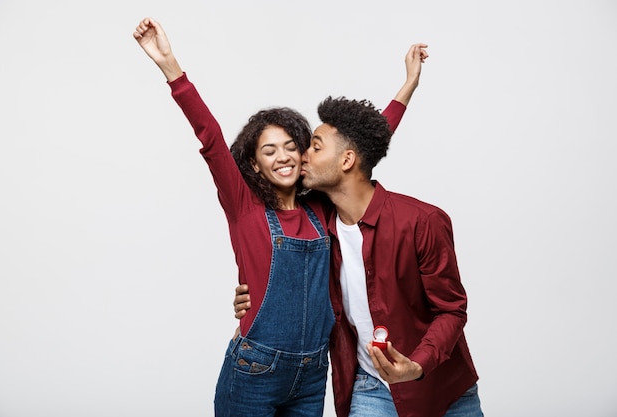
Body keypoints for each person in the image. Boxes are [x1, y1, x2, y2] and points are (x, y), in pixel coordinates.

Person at [133, 17, 426, 416]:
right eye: (269, 151)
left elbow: (361, 149)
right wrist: (170, 66)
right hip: (255, 370)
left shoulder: (321, 208)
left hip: (310, 375)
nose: (283, 156)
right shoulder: (244, 207)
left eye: (291, 146)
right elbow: (211, 137)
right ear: (253, 165)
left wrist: (407, 87)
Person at [235, 67, 483, 417]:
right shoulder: (319, 224)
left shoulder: (422, 221)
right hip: (369, 388)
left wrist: (416, 366)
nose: (301, 156)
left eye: (314, 148)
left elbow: (452, 310)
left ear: (347, 160)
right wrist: (255, 296)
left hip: (441, 388)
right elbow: (360, 145)